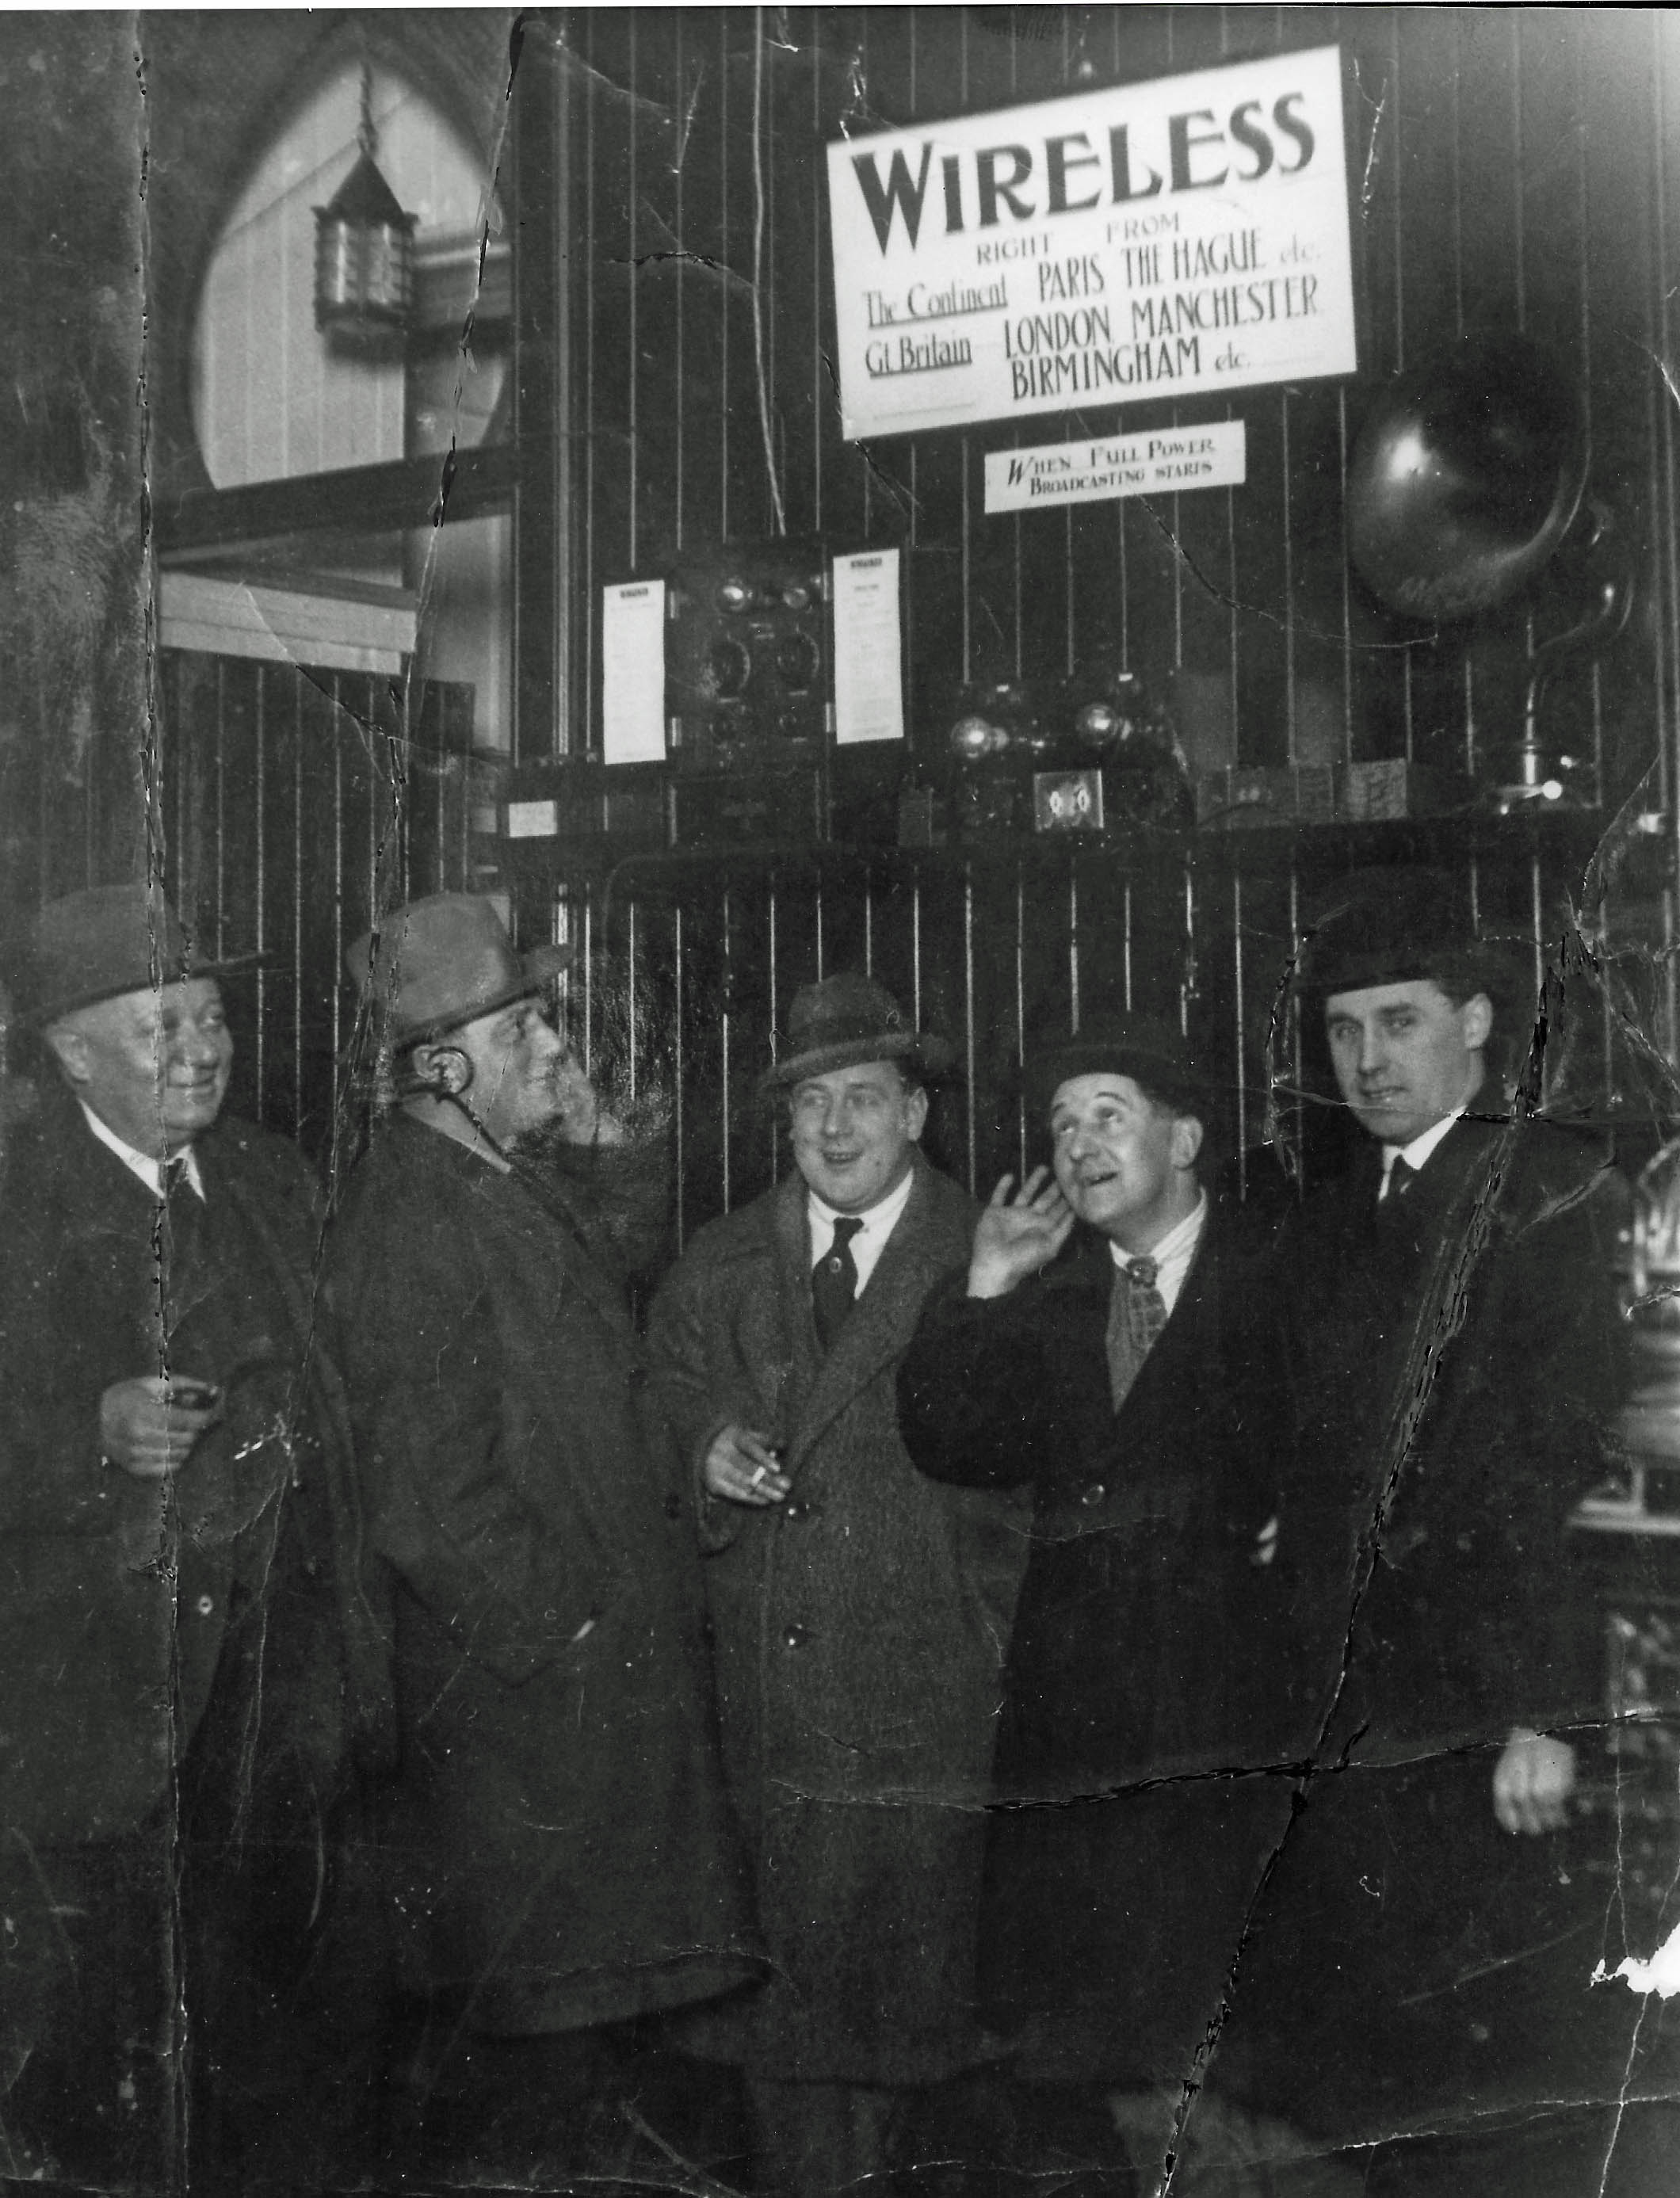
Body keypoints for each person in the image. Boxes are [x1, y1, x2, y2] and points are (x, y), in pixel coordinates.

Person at [1198, 868, 1645, 2192]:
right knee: (1385, 2080)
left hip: (1500, 1726)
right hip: (1360, 1730)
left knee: (1511, 2096)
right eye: (1344, 1031)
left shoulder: (1562, 1194)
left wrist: (1554, 1709)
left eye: (1399, 1022)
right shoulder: (1335, 1214)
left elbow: (1611, 1469)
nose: (1368, 1058)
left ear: (1478, 1024)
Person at [323, 892, 759, 2177]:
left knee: (571, 2075)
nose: (554, 1050)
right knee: (525, 2084)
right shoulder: (409, 1219)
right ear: (444, 1067)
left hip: (574, 1717)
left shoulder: (491, 1184)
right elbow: (427, 1498)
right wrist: (567, 1627)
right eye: (527, 1031)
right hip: (529, 1735)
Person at [0, 882, 385, 2190]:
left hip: (284, 1720)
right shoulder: (16, 1208)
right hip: (107, 1732)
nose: (200, 1047)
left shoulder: (273, 1176)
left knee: (276, 2076)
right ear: (71, 1051)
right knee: (113, 2090)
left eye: (209, 1014)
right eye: (161, 1023)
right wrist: (82, 1433)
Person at [895, 1017, 1296, 2190]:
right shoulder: (1055, 1296)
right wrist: (983, 1281)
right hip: (1078, 1733)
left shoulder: (1284, 1272)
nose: (1077, 1145)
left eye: (1107, 1115)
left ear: (1186, 1137)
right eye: (1062, 1125)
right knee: (1089, 2057)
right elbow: (947, 1439)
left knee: (1232, 2057)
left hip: (1237, 1723)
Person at [647, 971, 1029, 2198]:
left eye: (865, 1097)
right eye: (813, 1101)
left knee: (915, 2070)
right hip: (760, 1734)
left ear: (918, 1113)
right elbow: (642, 1415)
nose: (835, 1127)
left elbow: (1037, 1499)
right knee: (785, 2068)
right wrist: (700, 1446)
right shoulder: (714, 1265)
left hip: (924, 1731)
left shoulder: (996, 1256)